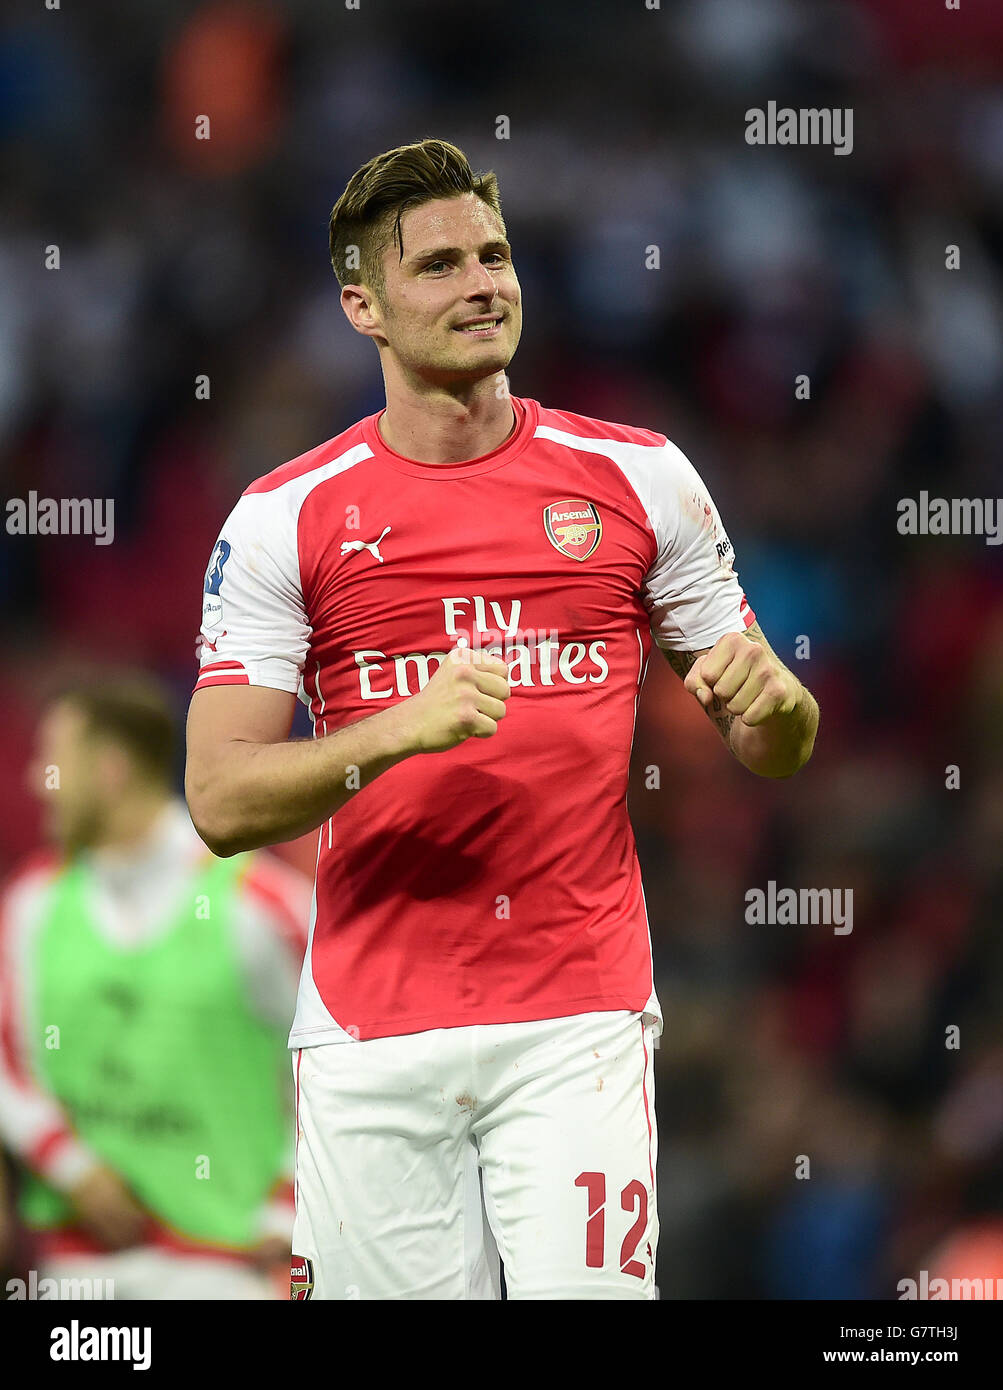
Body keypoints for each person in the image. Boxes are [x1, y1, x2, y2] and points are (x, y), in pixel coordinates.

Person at [185, 138, 820, 1300]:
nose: (483, 283)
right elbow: (221, 802)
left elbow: (772, 738)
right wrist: (390, 731)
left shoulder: (639, 477)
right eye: (438, 266)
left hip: (576, 1015)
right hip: (371, 1036)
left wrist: (781, 706)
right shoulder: (285, 517)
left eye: (496, 255)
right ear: (361, 306)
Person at [0, 674, 311, 1298]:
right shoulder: (32, 902)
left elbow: (332, 1066)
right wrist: (71, 1165)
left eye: (54, 759)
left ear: (111, 769)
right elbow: (10, 1058)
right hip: (78, 1269)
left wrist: (286, 1206)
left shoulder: (265, 906)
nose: (39, 781)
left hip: (228, 1267)